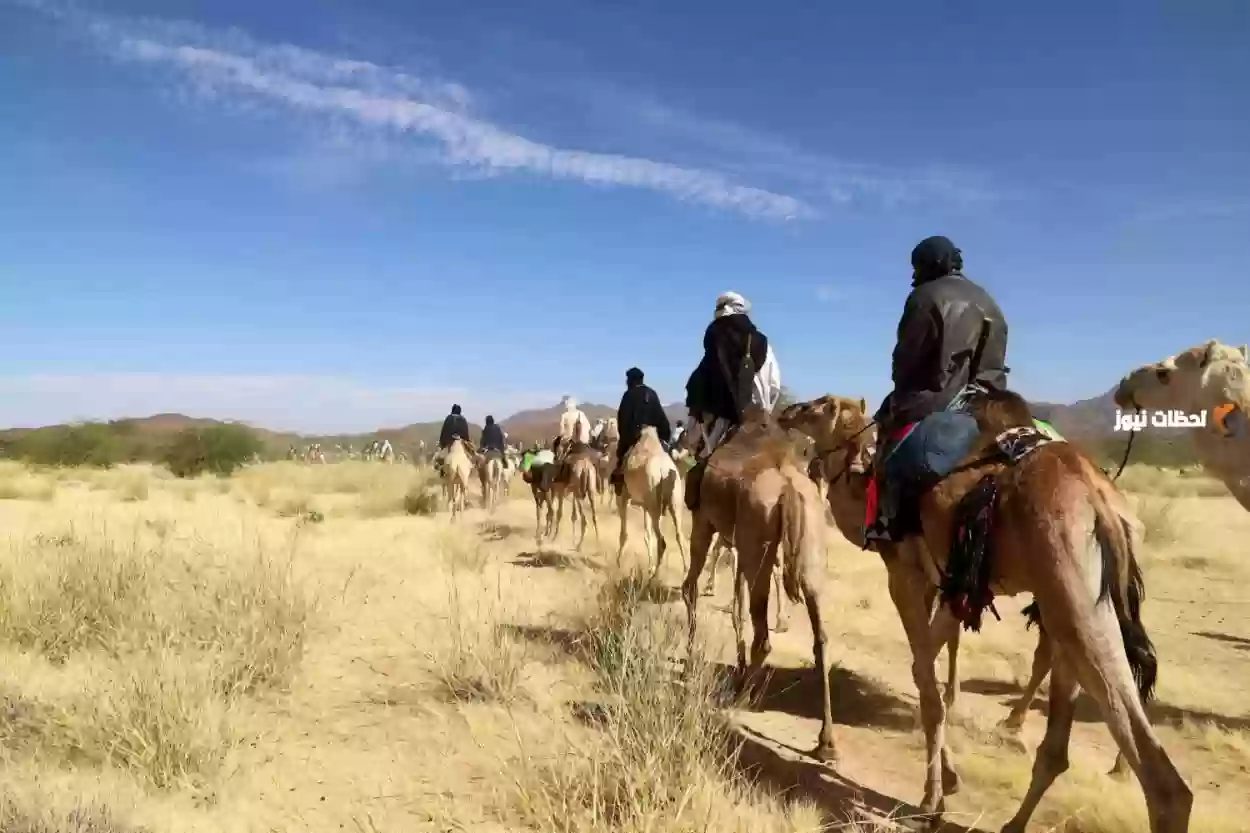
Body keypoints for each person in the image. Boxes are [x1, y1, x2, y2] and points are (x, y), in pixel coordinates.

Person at [866, 235, 1009, 542]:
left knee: (886, 454)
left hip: (936, 398)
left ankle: (890, 524)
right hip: (992, 400)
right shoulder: (988, 299)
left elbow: (906, 359)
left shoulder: (924, 297)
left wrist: (898, 394)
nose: (914, 275)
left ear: (928, 264)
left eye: (916, 267)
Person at [684, 291, 781, 458]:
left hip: (714, 436)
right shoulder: (761, 343)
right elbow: (773, 385)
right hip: (754, 424)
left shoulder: (711, 345)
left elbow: (695, 391)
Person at [610, 367, 672, 494]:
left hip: (636, 437)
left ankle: (620, 483)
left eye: (628, 380)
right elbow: (662, 418)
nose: (627, 382)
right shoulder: (653, 393)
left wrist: (625, 441)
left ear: (631, 380)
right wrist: (664, 439)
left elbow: (623, 419)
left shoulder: (629, 395)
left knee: (621, 459)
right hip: (656, 436)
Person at [434, 404, 472, 471]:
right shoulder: (463, 419)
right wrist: (467, 441)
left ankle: (440, 470)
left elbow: (444, 432)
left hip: (449, 441)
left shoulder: (448, 418)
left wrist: (442, 443)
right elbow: (466, 433)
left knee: (439, 457)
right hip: (462, 441)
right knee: (471, 456)